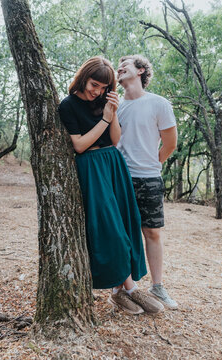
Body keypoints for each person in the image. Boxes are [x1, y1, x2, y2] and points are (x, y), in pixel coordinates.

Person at [58, 56, 163, 314]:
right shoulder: (68, 105)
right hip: (91, 166)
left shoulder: (105, 102)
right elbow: (79, 145)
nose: (98, 91)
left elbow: (115, 140)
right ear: (84, 78)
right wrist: (104, 119)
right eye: (95, 84)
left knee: (126, 224)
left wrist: (112, 114)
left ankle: (121, 292)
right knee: (111, 229)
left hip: (114, 164)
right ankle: (130, 289)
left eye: (104, 88)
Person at [116, 55, 179, 309]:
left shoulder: (159, 104)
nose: (119, 68)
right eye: (118, 66)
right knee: (122, 234)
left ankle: (157, 287)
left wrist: (153, 164)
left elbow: (170, 143)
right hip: (121, 179)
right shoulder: (116, 105)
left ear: (141, 70)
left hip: (150, 178)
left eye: (126, 65)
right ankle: (120, 289)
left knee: (152, 232)